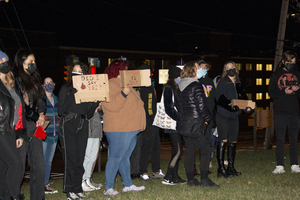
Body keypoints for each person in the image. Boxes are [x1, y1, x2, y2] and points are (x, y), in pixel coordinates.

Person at [102, 58, 146, 196]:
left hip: (130, 127)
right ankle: (108, 187)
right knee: (115, 157)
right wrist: (124, 93)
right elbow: (110, 105)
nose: (127, 71)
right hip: (119, 128)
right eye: (124, 69)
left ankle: (127, 184)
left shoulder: (125, 83)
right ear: (117, 70)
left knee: (125, 157)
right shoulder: (110, 84)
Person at [58, 62, 99, 200]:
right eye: (75, 71)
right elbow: (60, 110)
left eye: (80, 71)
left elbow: (88, 114)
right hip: (69, 123)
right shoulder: (66, 88)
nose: (77, 73)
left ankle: (77, 188)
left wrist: (94, 104)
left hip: (83, 123)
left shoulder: (86, 90)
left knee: (80, 158)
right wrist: (73, 93)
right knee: (71, 159)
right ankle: (69, 190)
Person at [177, 61, 219, 188]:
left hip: (185, 123)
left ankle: (191, 180)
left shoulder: (180, 85)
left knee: (190, 150)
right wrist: (208, 118)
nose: (200, 69)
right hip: (197, 124)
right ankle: (205, 180)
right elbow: (201, 105)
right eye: (197, 68)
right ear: (192, 70)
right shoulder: (196, 85)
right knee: (205, 149)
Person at [13, 49, 46, 200]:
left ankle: (38, 197)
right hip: (22, 125)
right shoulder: (16, 79)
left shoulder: (35, 79)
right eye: (30, 62)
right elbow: (21, 106)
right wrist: (35, 116)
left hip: (35, 126)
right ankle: (13, 195)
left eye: (34, 62)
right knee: (19, 166)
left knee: (39, 165)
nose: (33, 64)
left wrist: (41, 114)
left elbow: (40, 98)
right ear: (21, 62)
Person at [215, 61, 251, 178]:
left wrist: (248, 108)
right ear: (225, 71)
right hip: (223, 115)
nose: (231, 69)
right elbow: (219, 98)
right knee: (223, 140)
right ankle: (221, 169)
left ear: (236, 69)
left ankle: (231, 167)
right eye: (228, 68)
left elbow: (244, 99)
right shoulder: (222, 82)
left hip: (234, 116)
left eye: (232, 67)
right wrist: (230, 105)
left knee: (233, 141)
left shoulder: (239, 83)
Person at [268, 51, 300, 174]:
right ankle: (280, 165)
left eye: (293, 63)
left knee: (294, 139)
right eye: (289, 63)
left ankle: (294, 164)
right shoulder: (276, 75)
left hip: (294, 112)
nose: (291, 65)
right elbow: (271, 92)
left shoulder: (297, 74)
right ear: (283, 62)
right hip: (280, 112)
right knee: (280, 139)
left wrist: (297, 91)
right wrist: (284, 92)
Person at [0, 51, 26, 200]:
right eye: (0, 59)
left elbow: (19, 111)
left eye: (5, 58)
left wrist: (20, 134)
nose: (4, 61)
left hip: (12, 131)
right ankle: (14, 196)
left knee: (3, 167)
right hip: (1, 130)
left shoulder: (12, 84)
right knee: (16, 163)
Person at [137, 64, 164, 182]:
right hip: (147, 122)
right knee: (146, 147)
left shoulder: (149, 88)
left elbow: (152, 106)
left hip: (154, 121)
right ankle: (142, 171)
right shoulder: (142, 89)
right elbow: (146, 108)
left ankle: (156, 170)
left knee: (156, 147)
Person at [161, 65, 186, 185]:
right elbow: (169, 108)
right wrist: (180, 118)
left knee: (176, 150)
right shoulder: (169, 89)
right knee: (178, 151)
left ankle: (175, 176)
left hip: (176, 124)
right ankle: (168, 176)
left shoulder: (176, 88)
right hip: (172, 124)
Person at [196, 60, 216, 173]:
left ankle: (206, 164)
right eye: (201, 67)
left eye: (205, 68)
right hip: (198, 116)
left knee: (207, 141)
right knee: (196, 141)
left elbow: (213, 98)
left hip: (208, 116)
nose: (203, 70)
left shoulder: (210, 81)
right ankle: (194, 166)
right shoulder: (196, 82)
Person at [42, 77, 59, 194]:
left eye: (51, 82)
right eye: (46, 83)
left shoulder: (56, 99)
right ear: (43, 85)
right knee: (41, 161)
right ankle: (40, 183)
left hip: (54, 135)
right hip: (43, 135)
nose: (49, 84)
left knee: (48, 161)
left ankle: (45, 183)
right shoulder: (41, 100)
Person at [81, 107, 103, 191]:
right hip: (88, 132)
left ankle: (88, 179)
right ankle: (82, 180)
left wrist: (99, 108)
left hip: (97, 132)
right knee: (87, 157)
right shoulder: (87, 100)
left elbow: (102, 114)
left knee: (93, 158)